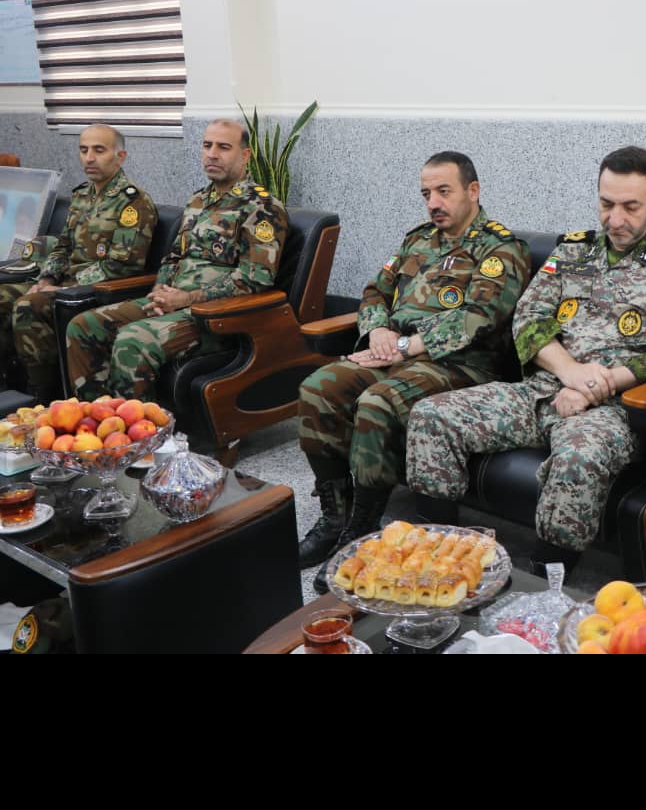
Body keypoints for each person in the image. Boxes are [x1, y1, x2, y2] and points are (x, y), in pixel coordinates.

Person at [406, 146, 646, 566]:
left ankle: (547, 579)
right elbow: (527, 317)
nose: (615, 220)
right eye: (606, 204)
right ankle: (440, 557)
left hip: (613, 410)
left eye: (630, 207)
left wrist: (597, 384)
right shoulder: (574, 251)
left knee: (578, 459)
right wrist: (569, 372)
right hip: (543, 389)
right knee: (431, 416)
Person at [296, 153, 531, 565]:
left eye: (444, 191)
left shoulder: (500, 248)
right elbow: (376, 291)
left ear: (473, 191)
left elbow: (480, 317)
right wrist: (378, 331)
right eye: (426, 194)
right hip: (396, 354)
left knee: (377, 403)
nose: (433, 203)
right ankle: (335, 516)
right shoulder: (417, 240)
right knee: (318, 388)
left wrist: (404, 347)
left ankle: (363, 528)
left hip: (460, 365)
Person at [65, 119, 286, 402]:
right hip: (173, 302)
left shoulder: (262, 207)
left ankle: (138, 426)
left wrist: (186, 299)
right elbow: (174, 256)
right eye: (207, 145)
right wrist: (160, 290)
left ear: (245, 155)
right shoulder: (197, 201)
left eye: (223, 147)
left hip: (214, 316)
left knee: (134, 340)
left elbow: (255, 280)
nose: (212, 154)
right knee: (83, 325)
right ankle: (97, 415)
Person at [0, 125, 158, 400]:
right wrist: (47, 279)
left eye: (99, 150)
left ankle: (43, 394)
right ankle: (10, 385)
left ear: (120, 156)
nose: (89, 158)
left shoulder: (134, 203)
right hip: (63, 284)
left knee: (28, 305)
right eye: (84, 150)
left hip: (96, 291)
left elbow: (122, 266)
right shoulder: (82, 195)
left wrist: (64, 289)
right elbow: (62, 246)